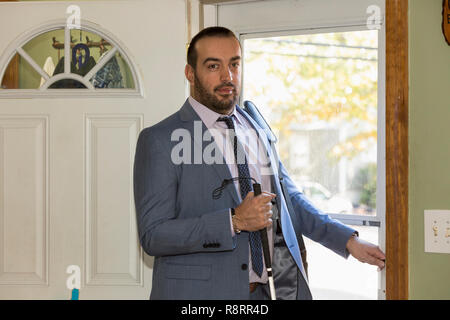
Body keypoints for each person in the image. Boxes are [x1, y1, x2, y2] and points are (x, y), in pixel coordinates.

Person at [133, 26, 386, 300]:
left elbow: (288, 201)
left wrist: (348, 241)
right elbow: (153, 235)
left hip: (265, 293)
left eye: (234, 64)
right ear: (190, 73)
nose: (227, 76)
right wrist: (233, 221)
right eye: (213, 66)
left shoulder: (255, 126)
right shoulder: (160, 139)